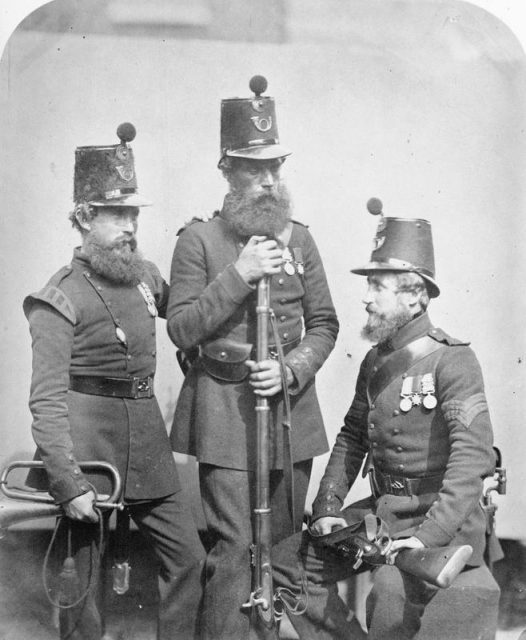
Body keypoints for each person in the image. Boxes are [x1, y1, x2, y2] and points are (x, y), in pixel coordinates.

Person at [267, 199, 496, 640]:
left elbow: (472, 460)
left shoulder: (455, 362)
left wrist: (428, 538)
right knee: (287, 564)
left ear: (415, 294)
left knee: (390, 592)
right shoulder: (375, 361)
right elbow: (353, 437)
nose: (366, 297)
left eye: (378, 286)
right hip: (384, 516)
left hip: (439, 521)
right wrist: (328, 508)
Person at [166, 76, 339, 640]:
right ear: (226, 170)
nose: (267, 181)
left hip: (290, 413)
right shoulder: (199, 241)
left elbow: (324, 324)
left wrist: (291, 369)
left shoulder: (302, 240)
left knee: (287, 547)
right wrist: (239, 276)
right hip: (223, 415)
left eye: (274, 169)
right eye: (252, 168)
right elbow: (182, 326)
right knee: (236, 551)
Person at [23, 123, 205, 640]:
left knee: (187, 559)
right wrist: (67, 480)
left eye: (133, 214)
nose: (130, 225)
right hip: (87, 453)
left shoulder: (146, 276)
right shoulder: (57, 297)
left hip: (147, 444)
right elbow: (47, 401)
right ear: (84, 217)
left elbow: (191, 317)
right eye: (117, 214)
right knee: (81, 588)